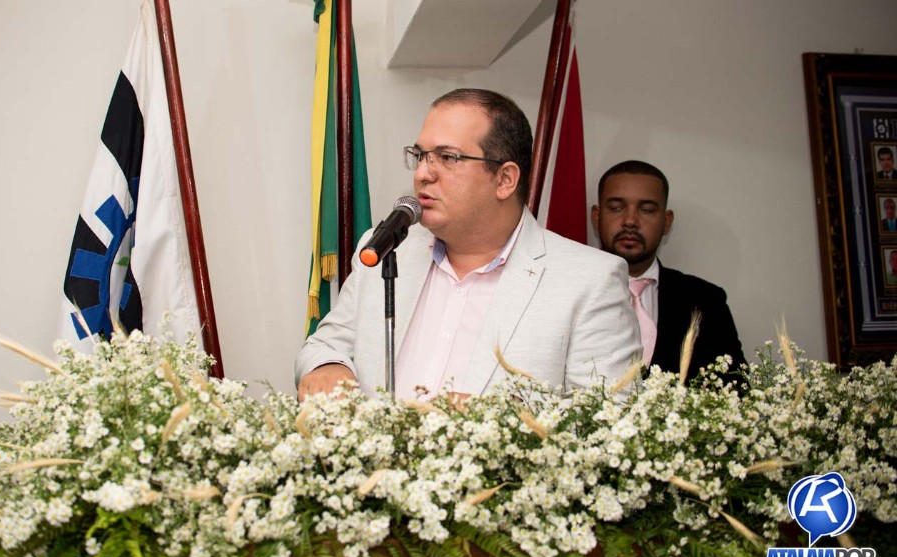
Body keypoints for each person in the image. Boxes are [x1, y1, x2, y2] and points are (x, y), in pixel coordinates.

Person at [296, 89, 640, 400]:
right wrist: (327, 366)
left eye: (448, 158)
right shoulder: (385, 248)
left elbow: (609, 415)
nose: (422, 174)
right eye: (420, 155)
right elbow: (327, 343)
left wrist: (499, 424)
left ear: (505, 179)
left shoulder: (589, 280)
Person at [591, 160, 746, 381]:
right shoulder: (564, 290)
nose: (630, 221)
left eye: (646, 210)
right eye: (616, 208)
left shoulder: (706, 301)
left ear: (666, 222)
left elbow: (736, 388)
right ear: (596, 217)